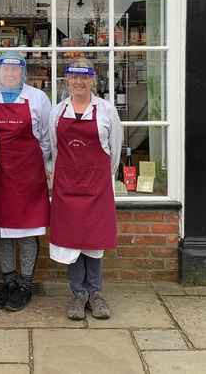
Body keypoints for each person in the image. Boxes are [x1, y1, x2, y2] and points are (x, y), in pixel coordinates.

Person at [49, 58, 123, 321]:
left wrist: (100, 178)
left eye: (84, 76)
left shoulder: (106, 111)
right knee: (72, 241)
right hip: (67, 186)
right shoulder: (57, 111)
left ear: (92, 79)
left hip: (96, 187)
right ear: (67, 80)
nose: (78, 82)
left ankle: (95, 293)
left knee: (94, 241)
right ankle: (78, 294)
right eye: (73, 76)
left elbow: (113, 152)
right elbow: (55, 149)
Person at [0, 51, 51, 312]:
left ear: (23, 72)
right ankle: (8, 282)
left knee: (26, 232)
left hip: (28, 176)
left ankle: (25, 285)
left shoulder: (38, 99)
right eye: (5, 70)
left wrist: (35, 164)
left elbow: (46, 138)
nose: (10, 74)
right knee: (2, 233)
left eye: (15, 69)